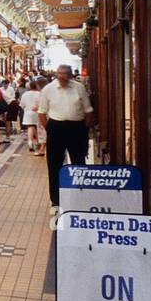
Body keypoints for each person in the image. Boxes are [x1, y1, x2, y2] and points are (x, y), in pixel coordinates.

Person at [38, 63, 95, 214]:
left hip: (76, 128)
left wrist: (85, 129)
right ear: (56, 74)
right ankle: (56, 199)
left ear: (70, 75)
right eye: (60, 73)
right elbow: (42, 112)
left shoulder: (79, 88)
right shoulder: (48, 89)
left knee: (78, 162)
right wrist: (49, 129)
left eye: (65, 73)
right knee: (54, 164)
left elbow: (88, 110)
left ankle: (80, 196)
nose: (62, 76)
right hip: (56, 127)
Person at [19, 78, 43, 154]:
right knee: (35, 127)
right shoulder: (40, 94)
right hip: (37, 113)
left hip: (28, 112)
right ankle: (36, 142)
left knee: (31, 127)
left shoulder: (25, 94)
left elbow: (22, 105)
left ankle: (31, 142)